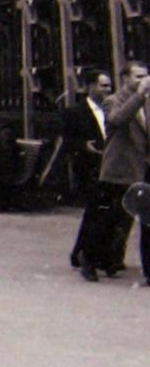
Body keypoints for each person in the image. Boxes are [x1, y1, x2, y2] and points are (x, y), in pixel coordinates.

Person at [85, 60, 150, 283]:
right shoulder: (113, 101)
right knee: (108, 219)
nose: (143, 81)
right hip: (118, 170)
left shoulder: (146, 103)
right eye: (138, 76)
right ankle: (89, 259)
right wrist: (139, 96)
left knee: (141, 221)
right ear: (125, 79)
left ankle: (144, 269)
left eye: (145, 76)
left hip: (141, 169)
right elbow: (117, 119)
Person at [64, 68, 112, 270]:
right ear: (91, 87)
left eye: (109, 86)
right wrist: (83, 145)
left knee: (102, 212)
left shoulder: (112, 108)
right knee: (95, 211)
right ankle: (86, 254)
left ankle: (88, 253)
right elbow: (66, 141)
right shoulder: (75, 112)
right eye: (103, 86)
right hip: (89, 167)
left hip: (109, 166)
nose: (108, 90)